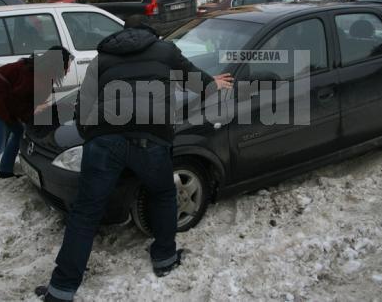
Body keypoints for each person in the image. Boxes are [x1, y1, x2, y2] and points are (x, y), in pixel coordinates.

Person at [35, 16, 233, 301]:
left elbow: (84, 108)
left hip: (104, 139)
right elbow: (199, 84)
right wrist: (212, 82)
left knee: (85, 212)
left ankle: (61, 288)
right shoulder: (165, 51)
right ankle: (164, 258)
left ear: (123, 35)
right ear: (151, 34)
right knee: (163, 193)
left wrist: (94, 136)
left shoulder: (101, 59)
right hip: (150, 138)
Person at [0, 46, 72, 190]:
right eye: (68, 65)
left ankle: (5, 171)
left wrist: (34, 109)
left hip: (2, 102)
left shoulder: (41, 71)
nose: (69, 70)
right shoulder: (35, 76)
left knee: (18, 133)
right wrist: (33, 112)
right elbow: (17, 102)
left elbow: (22, 100)